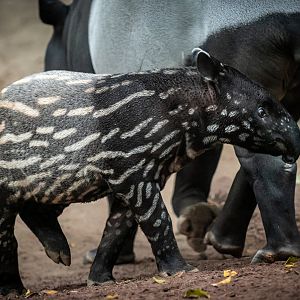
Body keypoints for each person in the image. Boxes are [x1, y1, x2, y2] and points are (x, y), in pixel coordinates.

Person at [39, 0, 300, 264]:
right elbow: (206, 121)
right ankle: (228, 229)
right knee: (272, 133)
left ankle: (284, 240)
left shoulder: (84, 26)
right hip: (278, 16)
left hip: (243, 23)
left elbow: (120, 152)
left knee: (258, 140)